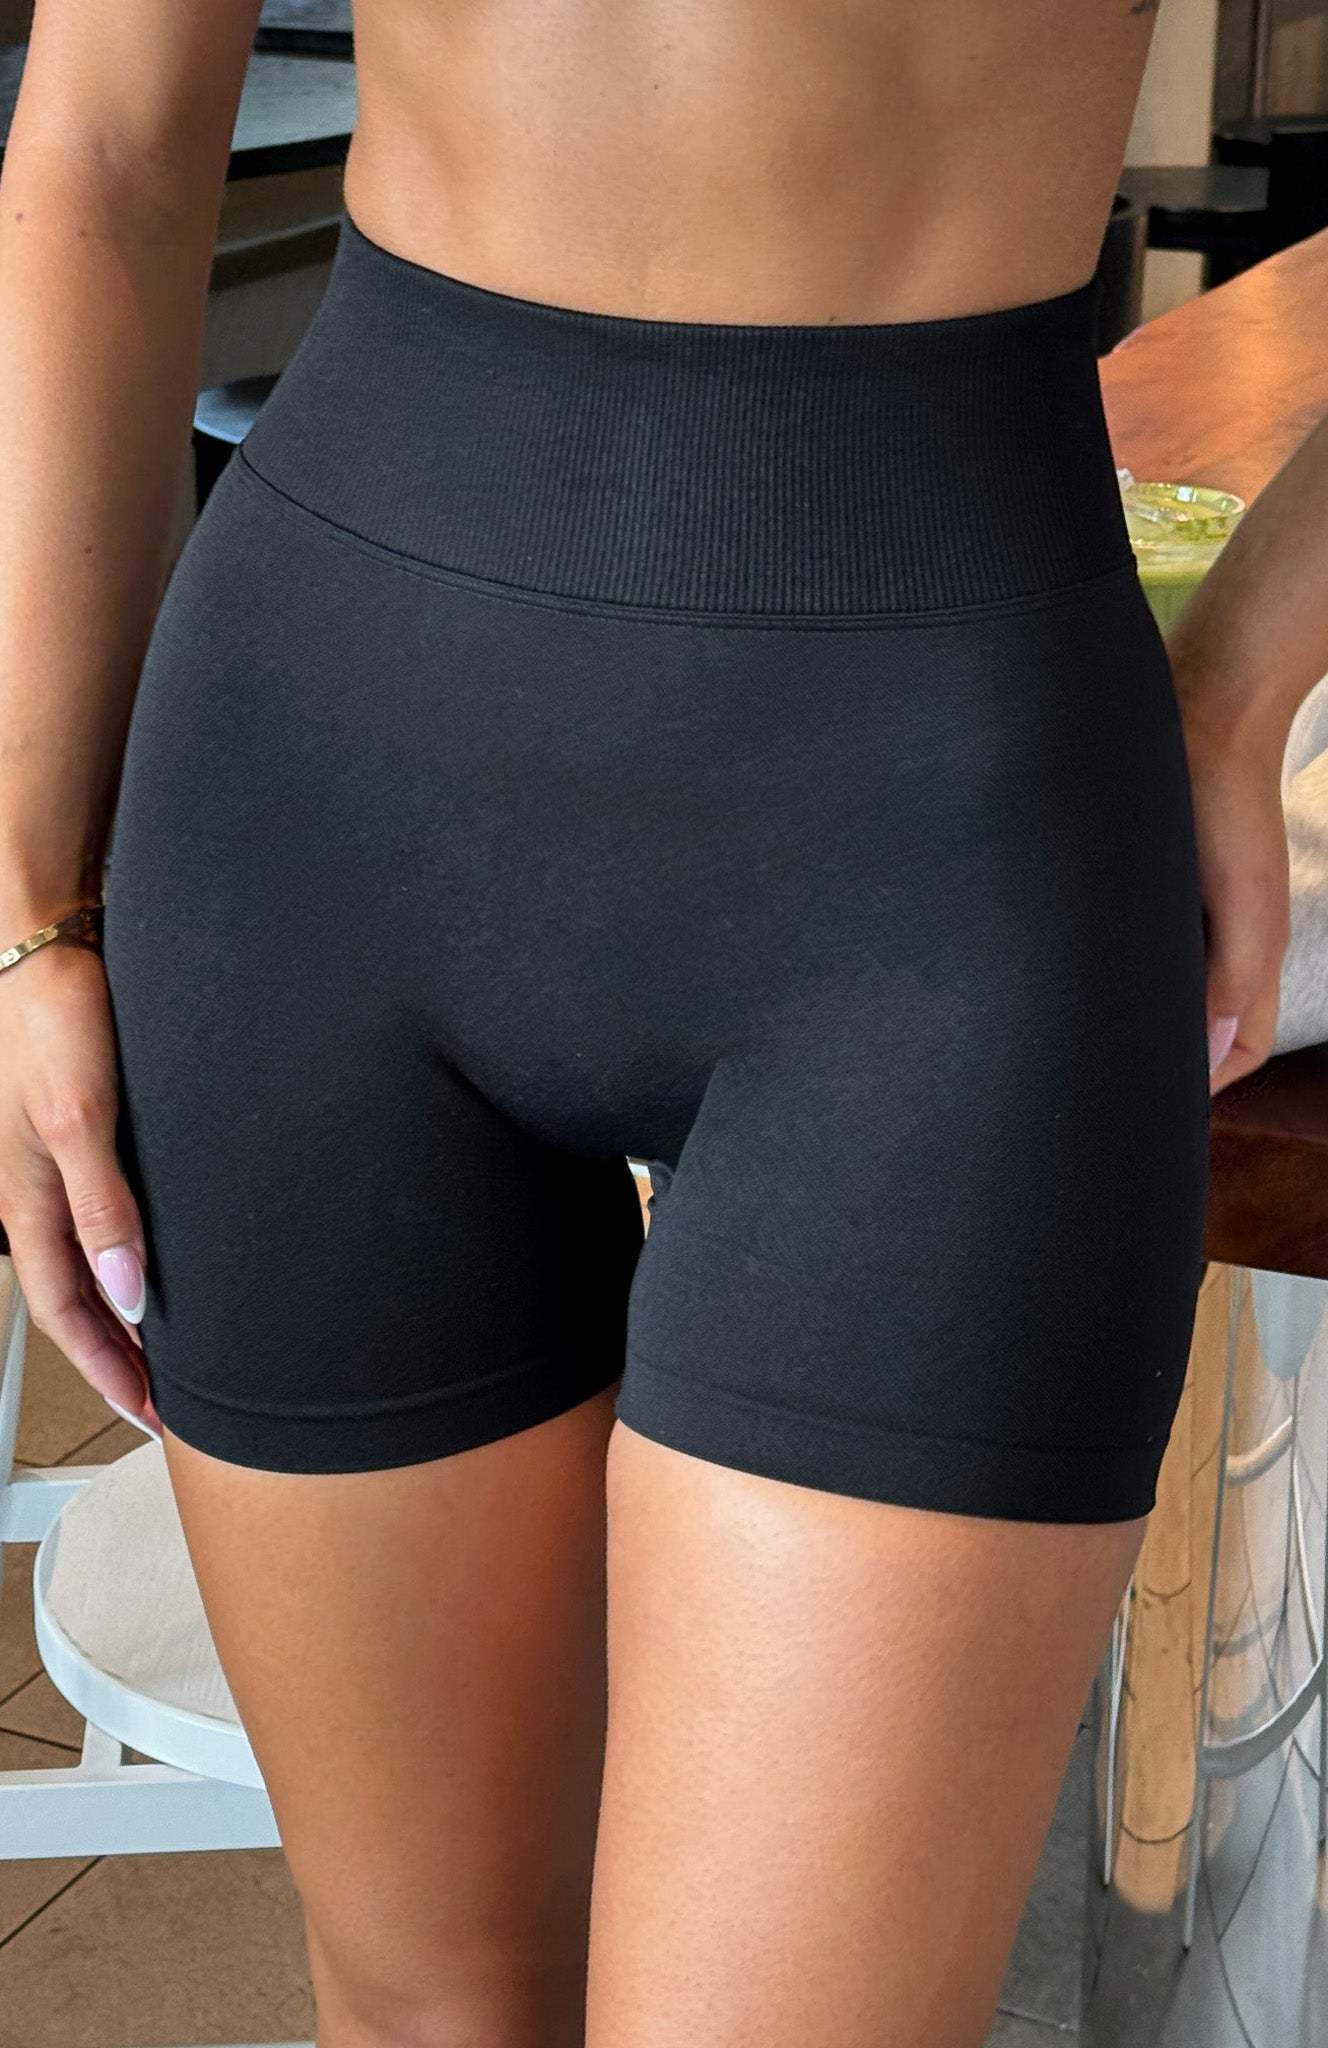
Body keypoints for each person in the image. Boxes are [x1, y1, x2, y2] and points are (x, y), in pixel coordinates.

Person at [0, 1, 1323, 2042]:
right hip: (308, 815)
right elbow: (100, 153)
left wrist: (1238, 687)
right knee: (426, 2007)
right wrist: (32, 911)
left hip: (948, 850)